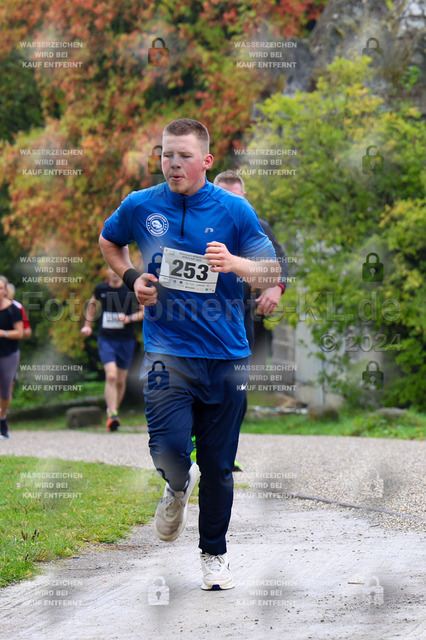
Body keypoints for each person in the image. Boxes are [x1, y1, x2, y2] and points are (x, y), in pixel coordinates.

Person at [99, 118, 280, 590]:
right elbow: (109, 240)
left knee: (218, 466)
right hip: (167, 350)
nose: (173, 164)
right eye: (166, 154)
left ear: (207, 161)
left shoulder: (235, 210)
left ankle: (214, 556)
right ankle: (177, 482)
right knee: (169, 448)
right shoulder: (140, 204)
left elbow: (269, 271)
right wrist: (131, 278)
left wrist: (233, 263)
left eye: (183, 156)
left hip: (226, 355)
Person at [214, 171, 287, 362]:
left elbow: (280, 257)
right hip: (197, 314)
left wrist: (276, 287)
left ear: (244, 197)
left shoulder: (257, 227)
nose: (230, 205)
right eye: (224, 198)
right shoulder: (194, 224)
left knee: (238, 374)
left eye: (236, 199)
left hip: (241, 313)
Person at [81, 266, 144, 431]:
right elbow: (92, 305)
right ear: (107, 272)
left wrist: (129, 318)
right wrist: (87, 326)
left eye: (116, 271)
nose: (114, 273)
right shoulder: (101, 288)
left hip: (126, 341)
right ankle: (113, 414)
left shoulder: (130, 290)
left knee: (121, 380)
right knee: (111, 375)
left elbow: (143, 312)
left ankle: (113, 411)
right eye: (111, 270)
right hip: (106, 339)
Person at [0, 276, 24, 438]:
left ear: (5, 291)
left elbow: (20, 333)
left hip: (9, 354)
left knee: (5, 391)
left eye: (0, 288)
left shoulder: (13, 310)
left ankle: (2, 418)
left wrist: (3, 333)